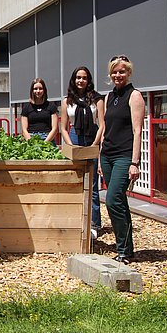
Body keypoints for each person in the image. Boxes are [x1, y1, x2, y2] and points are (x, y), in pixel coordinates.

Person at [99, 55, 145, 265]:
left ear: (129, 73)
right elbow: (106, 128)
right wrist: (100, 157)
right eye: (115, 72)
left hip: (124, 156)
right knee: (120, 202)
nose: (118, 75)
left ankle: (122, 250)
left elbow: (137, 130)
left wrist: (135, 162)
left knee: (112, 200)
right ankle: (128, 249)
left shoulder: (134, 96)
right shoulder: (109, 97)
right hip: (107, 155)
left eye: (122, 72)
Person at [60, 66, 105, 240]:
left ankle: (94, 223)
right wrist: (72, 145)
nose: (81, 81)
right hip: (75, 138)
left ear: (89, 80)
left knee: (93, 184)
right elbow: (63, 127)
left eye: (84, 77)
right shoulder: (67, 101)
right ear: (73, 79)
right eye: (78, 77)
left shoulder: (97, 99)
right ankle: (76, 218)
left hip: (91, 136)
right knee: (75, 180)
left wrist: (95, 144)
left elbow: (102, 124)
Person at [21, 78, 58, 142]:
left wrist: (45, 143)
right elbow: (24, 130)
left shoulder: (51, 106)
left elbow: (55, 129)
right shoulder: (26, 107)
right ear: (32, 90)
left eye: (40, 88)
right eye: (35, 89)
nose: (38, 91)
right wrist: (31, 143)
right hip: (31, 137)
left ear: (44, 90)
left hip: (47, 137)